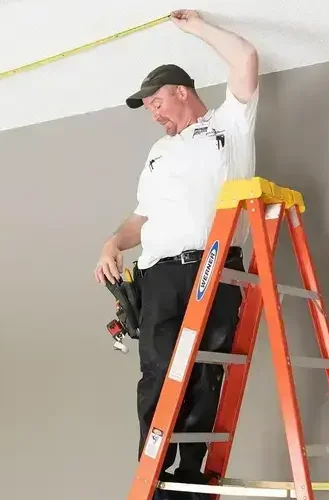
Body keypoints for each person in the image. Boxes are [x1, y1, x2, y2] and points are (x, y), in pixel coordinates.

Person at [94, 9, 259, 497]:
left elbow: (246, 57)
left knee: (204, 371)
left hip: (214, 266)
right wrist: (112, 242)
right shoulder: (157, 153)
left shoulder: (230, 123)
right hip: (158, 275)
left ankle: (188, 474)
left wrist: (196, 29)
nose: (153, 112)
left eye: (156, 102)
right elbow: (140, 218)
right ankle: (155, 474)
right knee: (158, 373)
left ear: (181, 91)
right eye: (146, 107)